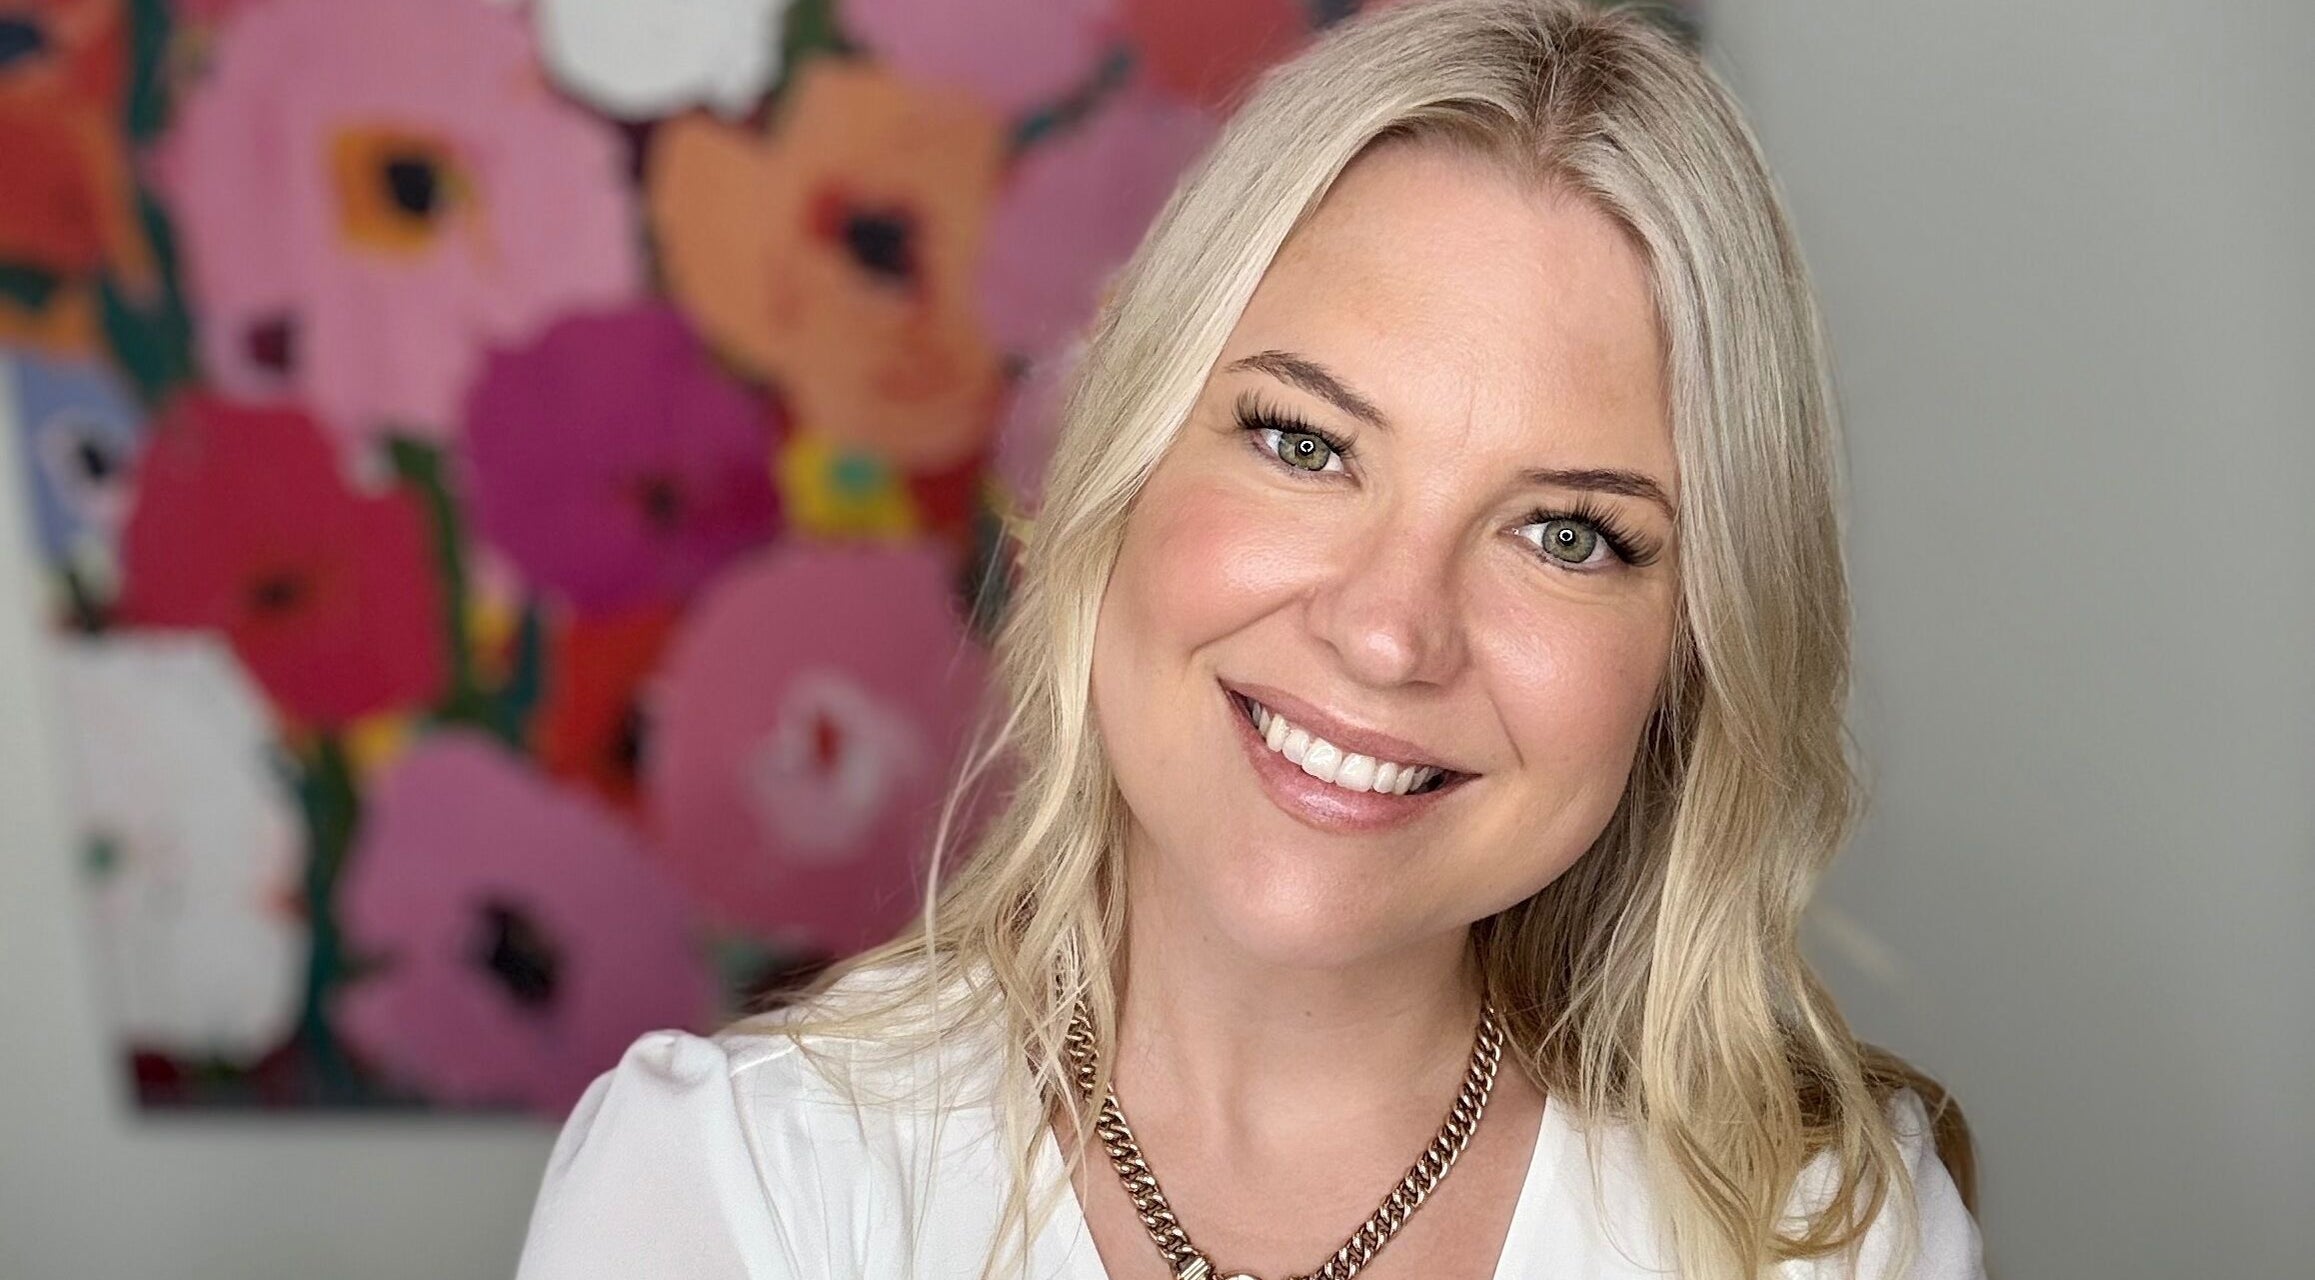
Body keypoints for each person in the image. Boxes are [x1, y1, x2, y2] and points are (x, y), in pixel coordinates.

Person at [513, 1, 1987, 1276]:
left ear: (1693, 654)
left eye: (1565, 534)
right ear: (1122, 465)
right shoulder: (733, 1187)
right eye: (1306, 443)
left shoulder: (1824, 1239)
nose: (1389, 631)